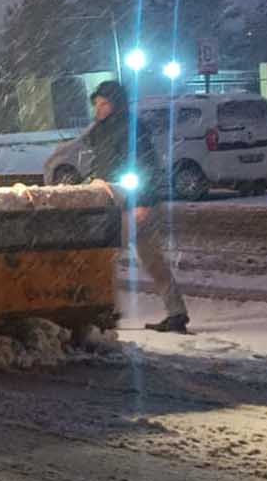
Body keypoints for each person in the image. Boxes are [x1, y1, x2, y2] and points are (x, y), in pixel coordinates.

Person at [81, 79, 190, 333]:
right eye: (96, 104)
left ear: (115, 104)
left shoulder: (131, 128)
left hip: (133, 203)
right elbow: (101, 163)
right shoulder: (100, 130)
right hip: (111, 202)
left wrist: (144, 202)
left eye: (103, 103)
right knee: (109, 259)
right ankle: (111, 309)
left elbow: (147, 165)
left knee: (141, 259)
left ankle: (172, 313)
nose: (98, 108)